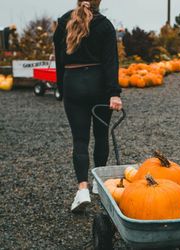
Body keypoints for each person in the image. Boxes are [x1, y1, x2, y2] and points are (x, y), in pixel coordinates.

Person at [53, 0, 122, 212]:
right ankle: (97, 185)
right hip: (99, 84)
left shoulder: (65, 20)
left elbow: (59, 59)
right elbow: (111, 62)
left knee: (80, 139)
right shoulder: (105, 25)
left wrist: (62, 89)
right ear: (98, 2)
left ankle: (82, 190)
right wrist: (114, 93)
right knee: (101, 136)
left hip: (73, 82)